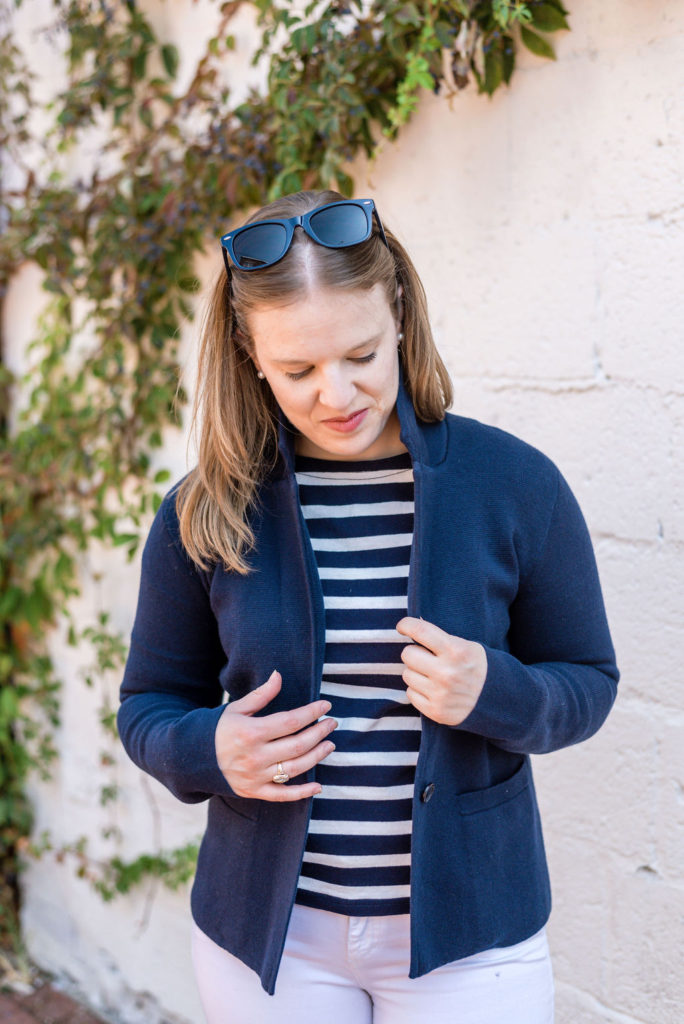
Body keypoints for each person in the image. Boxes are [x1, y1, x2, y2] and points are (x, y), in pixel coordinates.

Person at [117, 191, 619, 1024]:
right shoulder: (204, 511)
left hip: (470, 941)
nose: (336, 393)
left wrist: (492, 689)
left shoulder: (516, 485)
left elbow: (588, 684)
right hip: (269, 946)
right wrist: (213, 749)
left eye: (361, 354)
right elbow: (147, 707)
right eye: (298, 369)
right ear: (250, 354)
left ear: (398, 314)